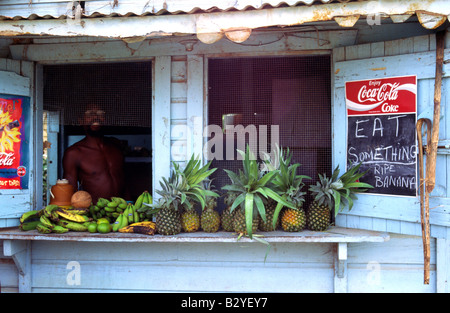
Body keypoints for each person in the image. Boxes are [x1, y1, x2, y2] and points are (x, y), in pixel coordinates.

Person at [62, 104, 125, 204]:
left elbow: (124, 182)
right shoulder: (74, 153)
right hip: (93, 213)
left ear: (106, 120)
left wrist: (130, 206)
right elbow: (70, 192)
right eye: (90, 114)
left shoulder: (116, 147)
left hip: (122, 212)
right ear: (81, 121)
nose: (95, 117)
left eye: (100, 114)